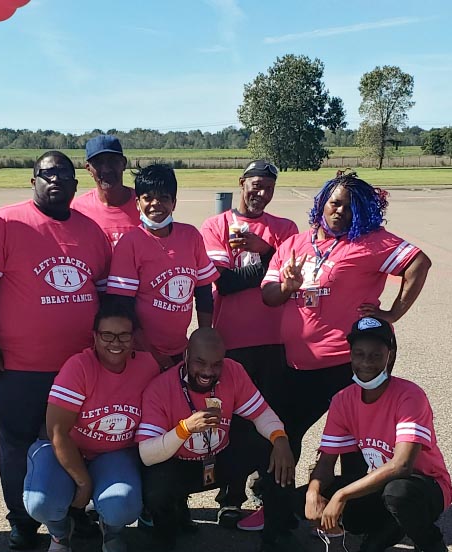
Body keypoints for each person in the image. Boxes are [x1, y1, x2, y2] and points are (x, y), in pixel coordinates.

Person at [256, 172, 433, 529]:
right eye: (335, 203)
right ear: (321, 203)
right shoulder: (295, 243)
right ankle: (278, 523)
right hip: (295, 366)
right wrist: (288, 287)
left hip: (345, 366)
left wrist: (393, 312)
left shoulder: (370, 242)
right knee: (281, 442)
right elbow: (268, 295)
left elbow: (418, 263)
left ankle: (357, 522)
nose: (341, 212)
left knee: (352, 447)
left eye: (351, 207)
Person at [0, 150, 112, 551]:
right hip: (19, 366)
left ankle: (73, 513)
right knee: (16, 442)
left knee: (76, 441)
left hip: (78, 367)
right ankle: (22, 520)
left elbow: (101, 296)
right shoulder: (6, 223)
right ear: (33, 180)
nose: (56, 180)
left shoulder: (91, 232)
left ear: (76, 183)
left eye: (64, 174)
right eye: (47, 174)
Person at [136, 327, 311, 552]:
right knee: (156, 484)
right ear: (186, 356)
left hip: (218, 459)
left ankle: (279, 533)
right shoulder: (160, 388)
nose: (208, 371)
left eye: (216, 364)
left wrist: (280, 439)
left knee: (274, 449)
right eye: (200, 362)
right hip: (179, 466)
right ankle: (167, 522)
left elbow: (262, 414)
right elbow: (146, 454)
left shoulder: (233, 372)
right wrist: (184, 429)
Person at [304, 317, 452, 552]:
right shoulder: (343, 400)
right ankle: (383, 533)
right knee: (303, 497)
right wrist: (314, 493)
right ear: (350, 355)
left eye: (376, 355)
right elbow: (326, 464)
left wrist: (342, 495)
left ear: (390, 356)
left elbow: (402, 466)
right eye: (359, 354)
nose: (366, 363)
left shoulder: (410, 396)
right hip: (383, 484)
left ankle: (431, 549)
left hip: (424, 487)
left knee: (398, 493)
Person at [199, 159, 299, 528]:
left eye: (269, 188)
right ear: (241, 183)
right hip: (233, 342)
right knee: (234, 422)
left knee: (273, 421)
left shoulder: (285, 228)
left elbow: (292, 272)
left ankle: (267, 490)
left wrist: (264, 247)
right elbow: (223, 282)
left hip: (275, 342)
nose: (261, 193)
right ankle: (230, 496)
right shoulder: (216, 225)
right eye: (255, 185)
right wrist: (270, 255)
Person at [23, 302, 159, 552]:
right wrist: (83, 483)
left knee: (122, 505)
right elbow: (58, 431)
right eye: (107, 335)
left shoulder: (147, 366)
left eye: (124, 335)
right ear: (95, 336)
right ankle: (60, 533)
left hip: (114, 452)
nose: (115, 342)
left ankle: (111, 528)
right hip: (67, 448)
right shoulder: (79, 367)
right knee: (41, 503)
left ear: (134, 337)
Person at [107, 164, 219, 370]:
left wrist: (201, 342)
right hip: (141, 352)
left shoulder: (191, 236)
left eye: (164, 198)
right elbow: (123, 307)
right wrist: (155, 356)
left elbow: (203, 293)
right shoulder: (130, 243)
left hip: (180, 349)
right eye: (148, 198)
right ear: (137, 203)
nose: (155, 204)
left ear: (174, 203)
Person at [71, 135, 140, 247]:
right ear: (88, 168)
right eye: (98, 162)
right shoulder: (77, 209)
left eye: (113, 161)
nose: (106, 169)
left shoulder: (143, 205)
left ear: (124, 163)